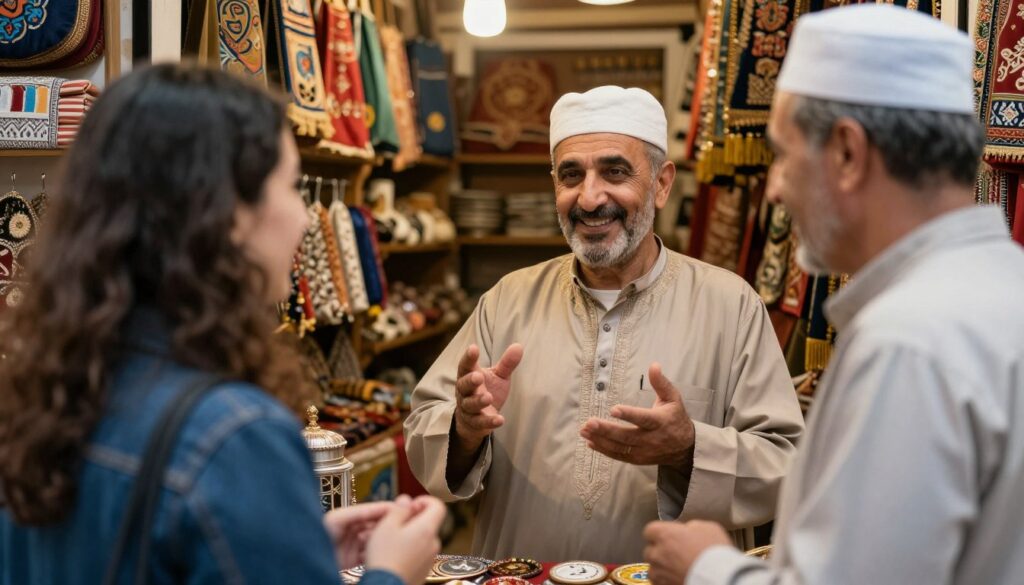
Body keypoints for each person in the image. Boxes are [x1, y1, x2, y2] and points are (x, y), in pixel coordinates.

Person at [0, 64, 444, 584]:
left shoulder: (46, 397)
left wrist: (293, 548)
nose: (304, 218)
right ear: (228, 215)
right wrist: (391, 572)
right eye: (289, 186)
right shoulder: (235, 435)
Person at [642, 5, 1024, 584]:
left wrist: (708, 568)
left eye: (784, 154)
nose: (773, 189)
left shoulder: (910, 339)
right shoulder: (1004, 287)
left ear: (846, 153)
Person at [404, 85, 805, 563]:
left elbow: (786, 465)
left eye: (615, 172)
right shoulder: (507, 300)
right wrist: (465, 429)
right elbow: (423, 430)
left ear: (661, 183)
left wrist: (689, 447)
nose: (590, 198)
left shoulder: (731, 306)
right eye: (571, 175)